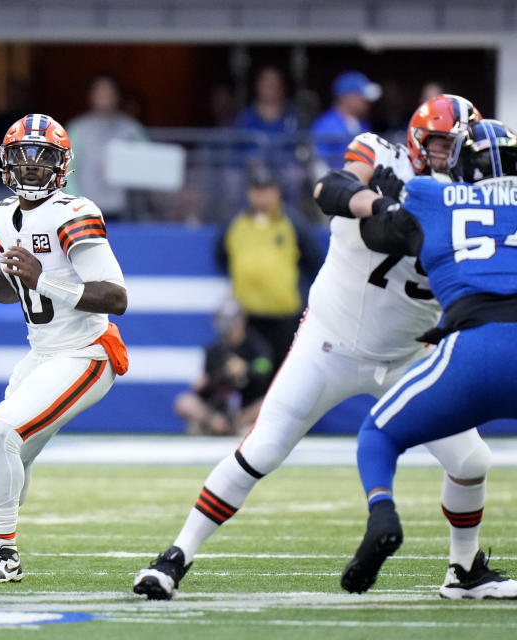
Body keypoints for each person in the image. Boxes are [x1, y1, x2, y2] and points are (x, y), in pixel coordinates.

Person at [132, 94, 515, 601]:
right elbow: (330, 186)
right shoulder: (384, 159)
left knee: (470, 461)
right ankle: (174, 557)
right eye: (441, 143)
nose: (450, 155)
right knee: (261, 450)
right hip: (328, 343)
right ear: (420, 142)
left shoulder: (473, 200)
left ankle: (463, 572)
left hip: (408, 356)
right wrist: (382, 203)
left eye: (459, 145)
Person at [0, 113, 128, 583]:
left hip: (86, 352)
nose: (31, 169)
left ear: (61, 166)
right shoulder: (4, 213)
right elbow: (13, 286)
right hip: (41, 353)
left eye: (42, 160)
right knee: (11, 454)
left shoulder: (74, 212)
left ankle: (3, 553)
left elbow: (116, 297)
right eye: (22, 159)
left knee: (0, 433)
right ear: (6, 164)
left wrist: (46, 278)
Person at [339, 120, 517, 596]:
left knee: (377, 433)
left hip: (475, 346)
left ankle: (383, 513)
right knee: (469, 458)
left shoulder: (430, 194)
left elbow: (380, 233)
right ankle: (464, 572)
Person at [216, 164, 321, 364]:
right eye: (257, 190)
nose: (262, 196)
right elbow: (222, 257)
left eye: (267, 190)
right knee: (251, 372)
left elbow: (313, 260)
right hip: (246, 319)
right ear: (249, 193)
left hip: (284, 317)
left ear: (277, 192)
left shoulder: (292, 223)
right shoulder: (235, 224)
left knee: (282, 370)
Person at [174, 299, 273, 436]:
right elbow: (208, 384)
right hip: (218, 410)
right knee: (184, 402)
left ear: (242, 321)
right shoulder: (215, 350)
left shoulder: (256, 346)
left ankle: (236, 426)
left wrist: (246, 369)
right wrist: (208, 381)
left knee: (268, 403)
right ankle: (217, 425)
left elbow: (265, 368)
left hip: (245, 410)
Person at [65, 74, 147, 219]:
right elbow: (67, 170)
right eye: (100, 92)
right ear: (91, 96)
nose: (105, 97)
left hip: (123, 212)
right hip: (85, 211)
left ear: (117, 96)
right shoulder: (78, 129)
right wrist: (74, 205)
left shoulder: (131, 129)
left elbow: (148, 166)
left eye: (109, 92)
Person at [311, 71, 381, 170]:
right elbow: (320, 162)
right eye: (361, 96)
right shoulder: (325, 125)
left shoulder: (363, 124)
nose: (366, 101)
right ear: (347, 97)